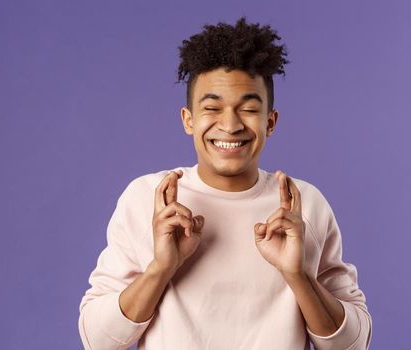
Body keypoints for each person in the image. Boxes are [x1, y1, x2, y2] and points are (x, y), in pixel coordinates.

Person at [77, 17, 373, 349]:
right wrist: (160, 268)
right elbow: (98, 340)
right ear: (188, 120)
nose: (230, 125)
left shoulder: (302, 205)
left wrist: (299, 275)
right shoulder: (148, 199)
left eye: (248, 109)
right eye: (212, 108)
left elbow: (353, 344)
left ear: (270, 122)